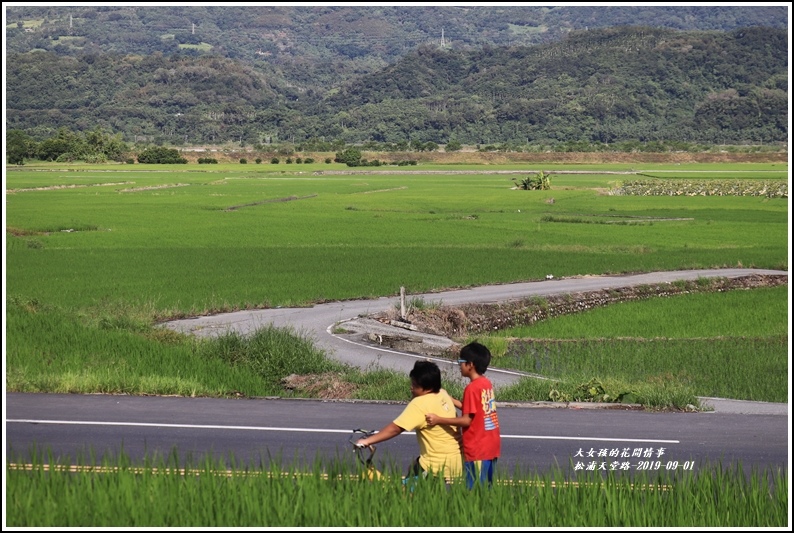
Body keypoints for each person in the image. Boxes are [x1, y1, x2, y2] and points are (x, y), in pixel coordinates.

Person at [355, 360, 463, 483]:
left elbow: (396, 428)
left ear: (427, 388)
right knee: (414, 467)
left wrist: (367, 441)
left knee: (400, 495)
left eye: (415, 386)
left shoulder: (420, 404)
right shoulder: (442, 393)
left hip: (436, 466)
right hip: (457, 460)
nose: (411, 388)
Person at [425, 341, 501, 489]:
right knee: (486, 487)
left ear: (470, 365)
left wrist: (439, 419)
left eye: (461, 362)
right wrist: (448, 398)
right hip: (491, 445)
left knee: (474, 491)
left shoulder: (472, 388)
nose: (459, 366)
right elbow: (473, 409)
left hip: (478, 448)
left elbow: (467, 420)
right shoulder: (486, 384)